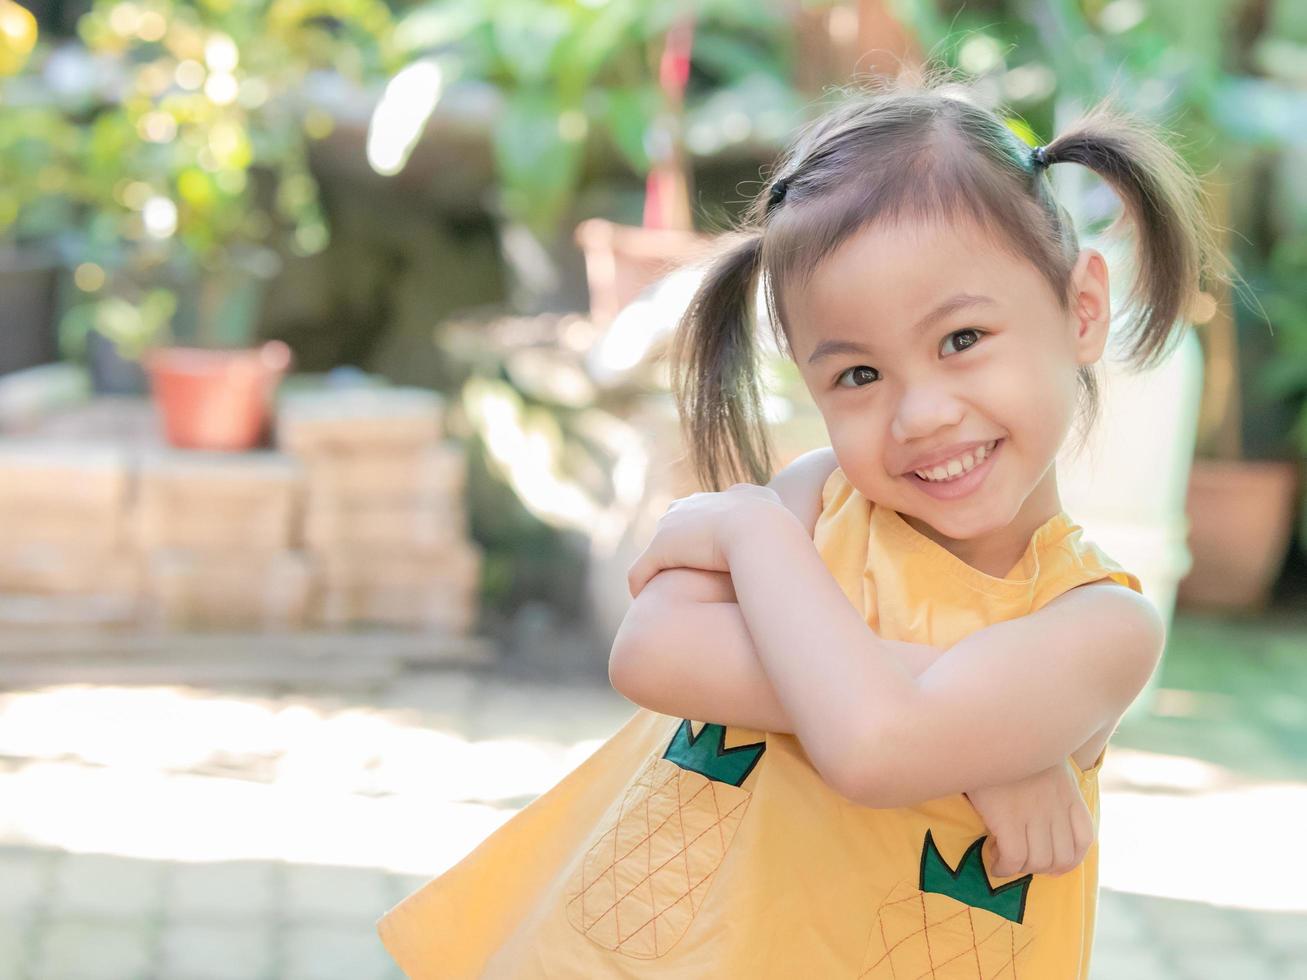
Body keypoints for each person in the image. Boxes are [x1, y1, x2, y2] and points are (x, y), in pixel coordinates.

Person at [377, 68, 1234, 978]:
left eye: (961, 341)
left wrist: (749, 536)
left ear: (1081, 309)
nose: (919, 415)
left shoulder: (1097, 624)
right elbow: (653, 650)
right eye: (858, 376)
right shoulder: (821, 499)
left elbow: (875, 744)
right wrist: (979, 745)